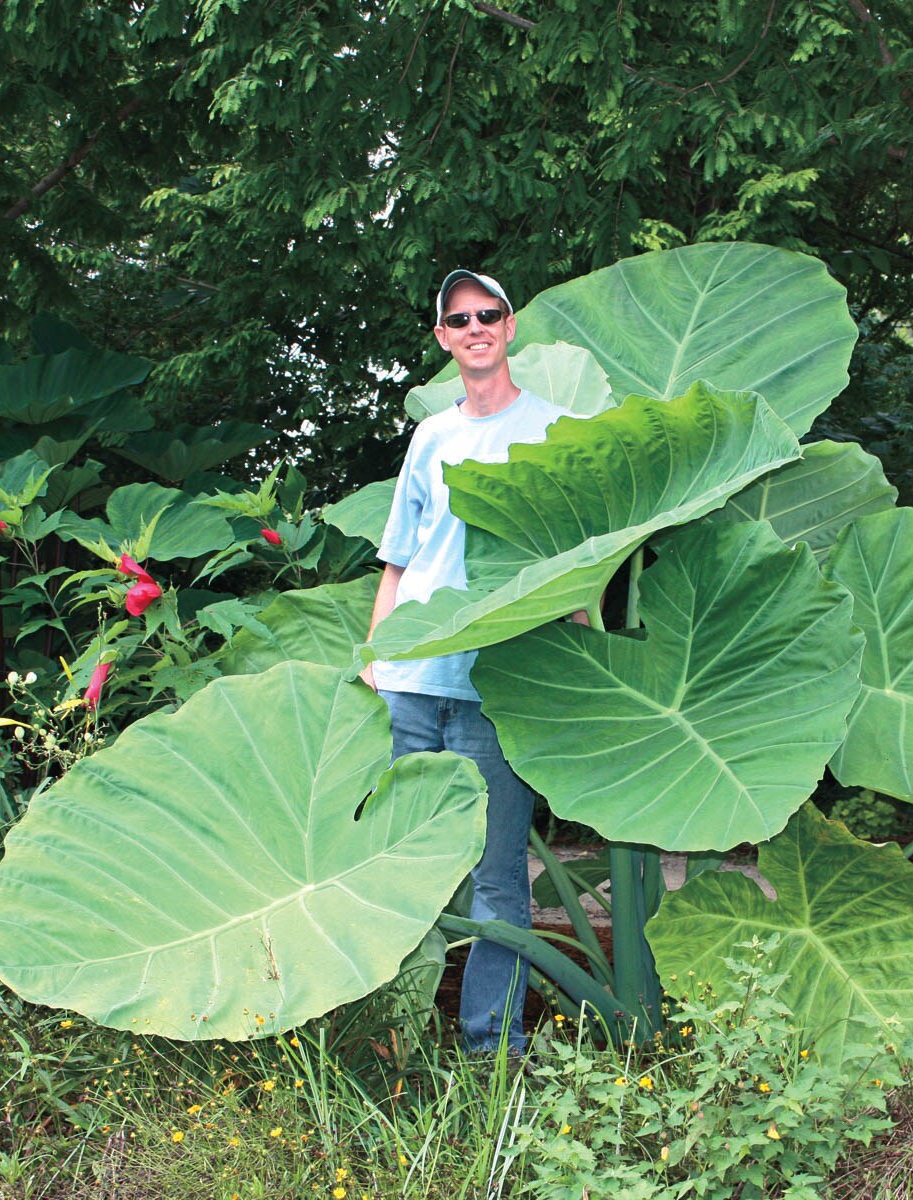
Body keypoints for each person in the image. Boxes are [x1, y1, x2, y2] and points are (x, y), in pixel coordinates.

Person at [360, 269, 572, 1053]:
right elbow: (398, 559)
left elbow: (572, 552)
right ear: (444, 338)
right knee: (402, 864)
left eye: (489, 313)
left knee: (495, 878)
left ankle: (493, 1050)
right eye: (459, 318)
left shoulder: (553, 428)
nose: (475, 326)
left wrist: (579, 649)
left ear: (510, 328)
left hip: (497, 686)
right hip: (413, 679)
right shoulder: (431, 436)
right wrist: (378, 655)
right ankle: (389, 1036)